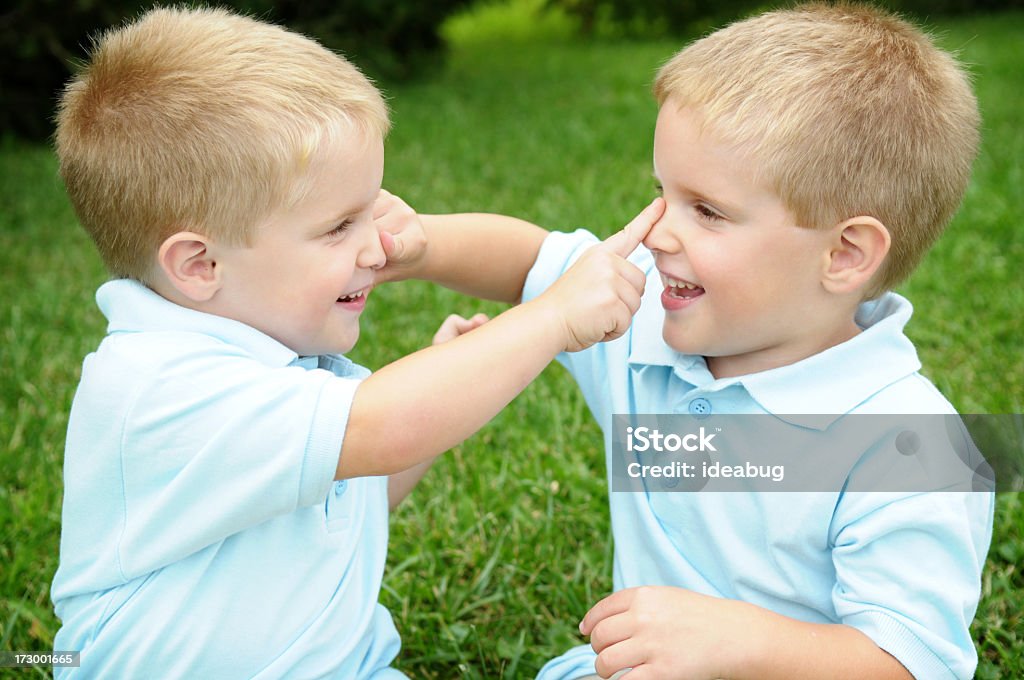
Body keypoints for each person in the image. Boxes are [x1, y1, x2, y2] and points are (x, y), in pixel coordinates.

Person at [49, 7, 663, 678]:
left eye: (370, 212)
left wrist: (440, 377)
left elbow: (346, 490)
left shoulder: (287, 363)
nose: (377, 246)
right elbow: (384, 427)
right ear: (201, 265)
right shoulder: (161, 385)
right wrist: (552, 317)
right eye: (340, 226)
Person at [384, 4, 994, 678]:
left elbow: (913, 663)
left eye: (707, 211)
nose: (656, 234)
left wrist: (734, 642)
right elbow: (537, 263)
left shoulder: (917, 443)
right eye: (662, 195)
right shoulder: (646, 322)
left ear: (846, 253)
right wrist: (419, 245)